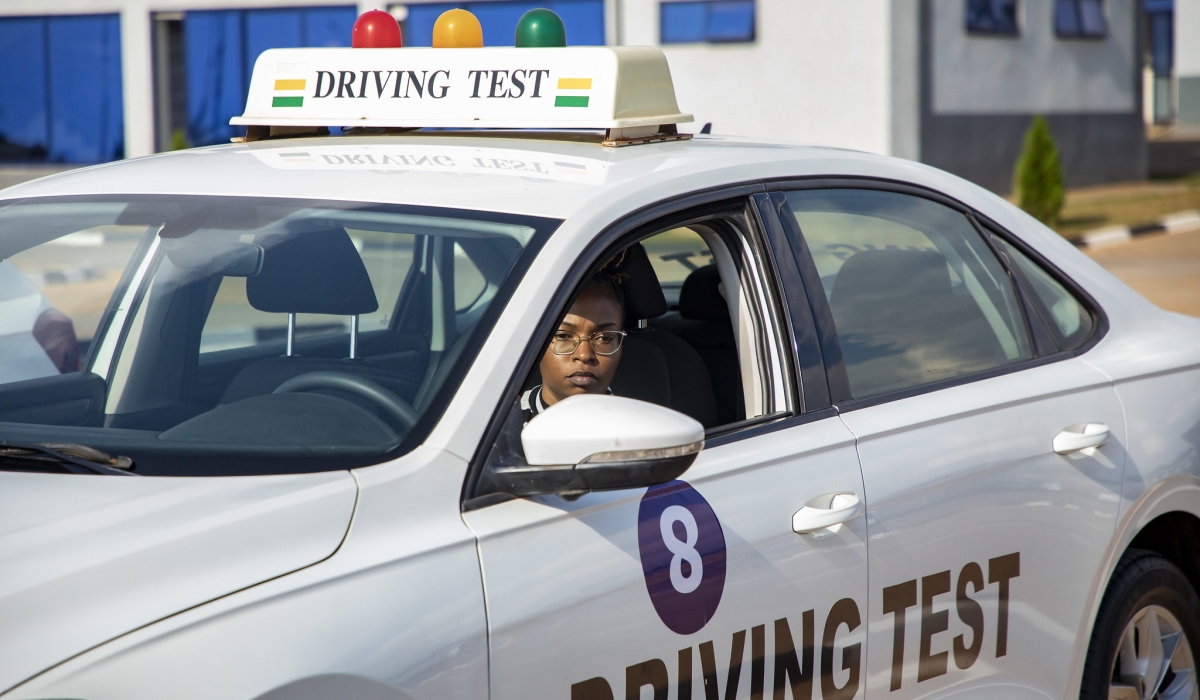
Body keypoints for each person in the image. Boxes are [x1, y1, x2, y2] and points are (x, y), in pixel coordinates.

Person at [518, 271, 626, 422]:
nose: (584, 355)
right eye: (563, 336)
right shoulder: (498, 426)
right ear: (536, 342)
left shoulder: (639, 431)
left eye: (604, 338)